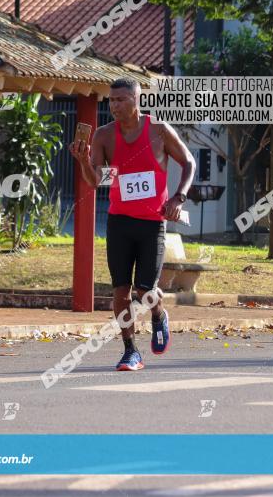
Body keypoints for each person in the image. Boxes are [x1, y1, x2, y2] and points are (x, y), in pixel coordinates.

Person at [69, 78, 196, 371]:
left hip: (152, 222)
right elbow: (99, 181)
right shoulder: (103, 136)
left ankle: (159, 315)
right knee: (120, 292)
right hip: (119, 221)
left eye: (122, 100)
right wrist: (83, 161)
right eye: (112, 101)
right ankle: (131, 351)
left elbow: (188, 161)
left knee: (146, 291)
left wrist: (179, 197)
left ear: (137, 100)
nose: (115, 105)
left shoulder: (159, 131)